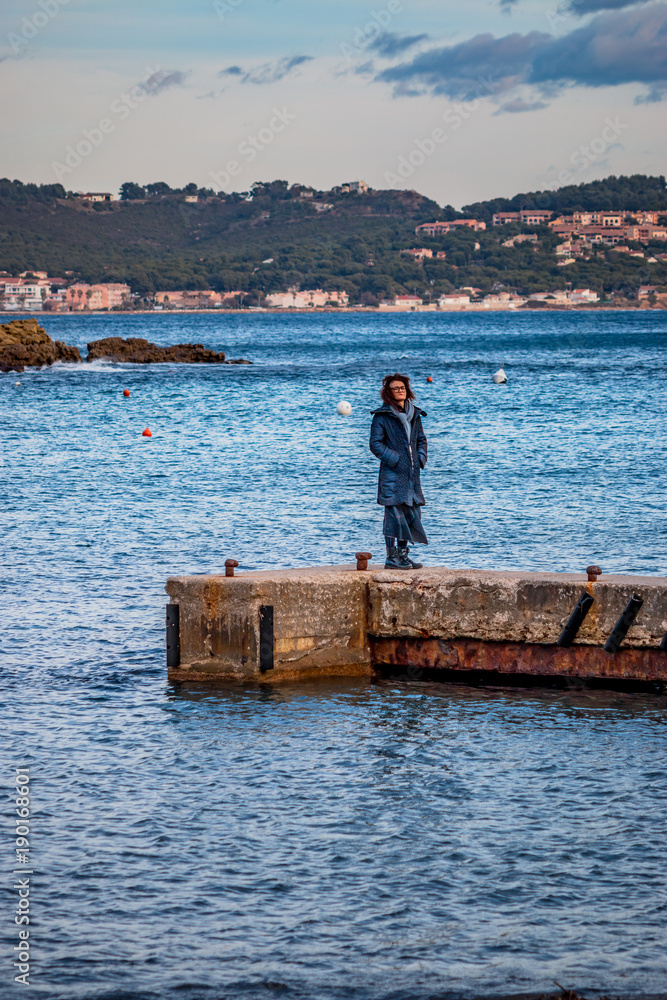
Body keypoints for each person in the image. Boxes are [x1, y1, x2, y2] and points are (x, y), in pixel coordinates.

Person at [369, 373, 428, 569]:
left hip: (411, 474)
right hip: (392, 474)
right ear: (388, 393)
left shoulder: (415, 414)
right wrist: (395, 459)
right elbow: (375, 445)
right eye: (395, 388)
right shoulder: (382, 417)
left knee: (410, 513)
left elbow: (421, 439)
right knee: (394, 516)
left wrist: (420, 458)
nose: (400, 390)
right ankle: (391, 558)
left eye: (402, 387)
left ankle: (403, 557)